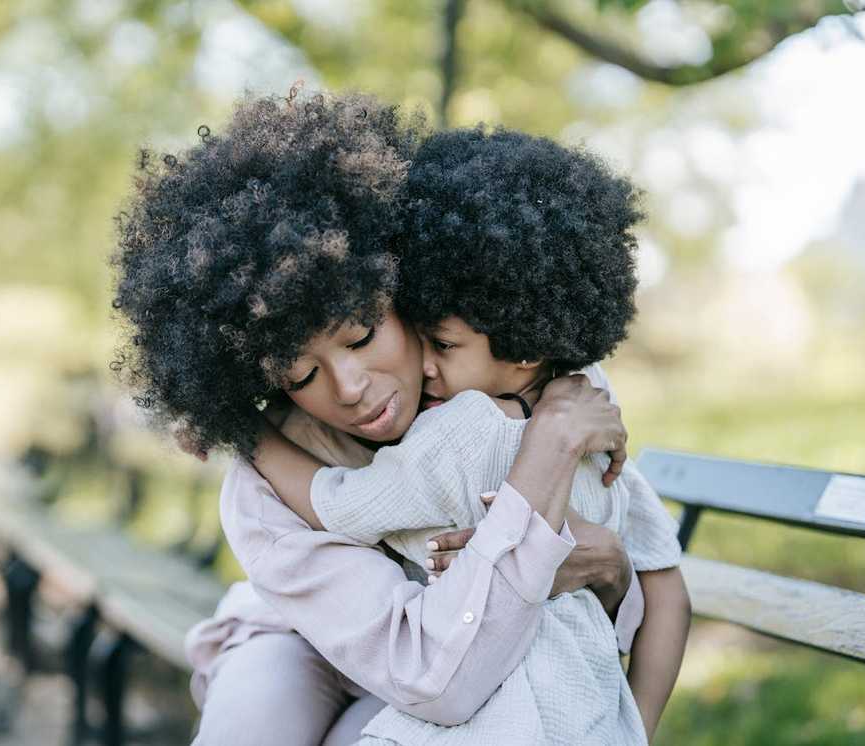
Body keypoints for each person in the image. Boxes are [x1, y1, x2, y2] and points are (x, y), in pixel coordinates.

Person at [112, 89, 643, 745]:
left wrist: (611, 565)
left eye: (362, 335)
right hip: (305, 642)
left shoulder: (522, 377)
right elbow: (430, 673)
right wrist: (549, 451)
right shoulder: (265, 486)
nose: (352, 387)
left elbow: (633, 579)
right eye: (301, 375)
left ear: (399, 281)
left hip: (467, 670)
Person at [251, 128, 691, 744]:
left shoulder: (464, 429)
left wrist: (245, 433)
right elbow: (666, 583)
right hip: (576, 710)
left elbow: (341, 505)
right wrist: (633, 728)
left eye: (444, 345)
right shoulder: (578, 398)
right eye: (301, 374)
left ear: (528, 346)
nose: (428, 366)